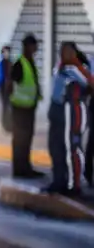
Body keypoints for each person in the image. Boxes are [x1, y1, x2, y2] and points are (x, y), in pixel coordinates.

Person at [46, 43, 93, 196]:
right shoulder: (60, 66)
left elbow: (89, 83)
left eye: (67, 51)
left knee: (72, 148)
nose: (63, 54)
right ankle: (59, 181)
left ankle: (75, 185)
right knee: (56, 148)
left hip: (71, 110)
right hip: (57, 109)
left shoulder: (77, 68)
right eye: (61, 51)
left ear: (73, 53)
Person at [6, 34, 44, 179]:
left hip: (28, 108)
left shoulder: (29, 61)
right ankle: (20, 169)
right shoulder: (20, 64)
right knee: (20, 140)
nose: (36, 48)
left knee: (26, 140)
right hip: (20, 109)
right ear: (27, 46)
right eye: (34, 45)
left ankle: (25, 167)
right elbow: (9, 85)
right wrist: (9, 105)